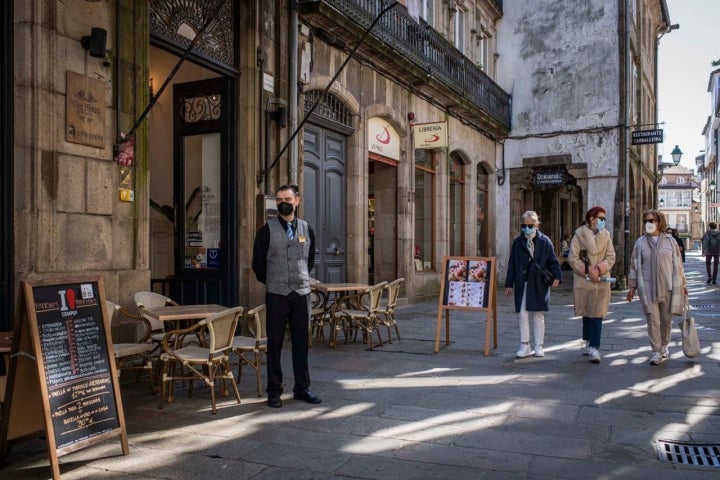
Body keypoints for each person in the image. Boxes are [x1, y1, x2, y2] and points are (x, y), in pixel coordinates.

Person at [252, 184, 321, 408]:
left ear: (296, 201)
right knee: (275, 343)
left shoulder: (307, 229)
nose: (283, 202)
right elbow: (258, 265)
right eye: (279, 199)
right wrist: (274, 281)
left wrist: (299, 278)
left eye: (287, 199)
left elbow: (309, 260)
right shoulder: (266, 230)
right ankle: (274, 391)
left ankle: (302, 388)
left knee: (301, 343)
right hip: (277, 294)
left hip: (301, 294)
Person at [627, 210, 687, 365]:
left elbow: (678, 265)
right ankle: (656, 351)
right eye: (647, 220)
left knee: (666, 320)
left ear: (660, 222)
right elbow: (633, 265)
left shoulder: (671, 241)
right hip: (646, 287)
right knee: (653, 319)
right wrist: (632, 286)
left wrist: (683, 285)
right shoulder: (640, 242)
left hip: (668, 286)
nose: (649, 223)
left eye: (652, 220)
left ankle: (664, 346)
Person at [505, 211, 561, 358]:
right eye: (524, 225)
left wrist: (557, 277)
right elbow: (512, 264)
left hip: (538, 282)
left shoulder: (545, 241)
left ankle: (539, 346)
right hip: (522, 282)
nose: (527, 228)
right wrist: (509, 284)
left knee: (538, 315)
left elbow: (553, 262)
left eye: (530, 225)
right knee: (522, 314)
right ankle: (525, 345)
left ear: (537, 224)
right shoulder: (518, 242)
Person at [567, 206, 616, 363]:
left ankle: (595, 346)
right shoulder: (579, 235)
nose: (603, 221)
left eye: (604, 219)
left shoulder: (606, 235)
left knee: (597, 313)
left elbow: (611, 256)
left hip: (601, 280)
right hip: (585, 279)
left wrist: (599, 269)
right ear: (592, 219)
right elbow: (573, 257)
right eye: (600, 218)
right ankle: (588, 340)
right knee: (587, 311)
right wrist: (588, 271)